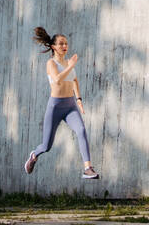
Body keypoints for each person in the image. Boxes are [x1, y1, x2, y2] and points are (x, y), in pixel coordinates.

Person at [24, 27, 99, 179]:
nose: (65, 46)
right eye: (61, 44)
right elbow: (57, 79)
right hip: (55, 107)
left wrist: (78, 99)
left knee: (81, 131)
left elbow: (75, 80)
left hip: (70, 106)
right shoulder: (51, 63)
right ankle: (34, 154)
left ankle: (87, 168)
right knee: (47, 146)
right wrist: (70, 66)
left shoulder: (67, 62)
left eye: (66, 44)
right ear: (53, 47)